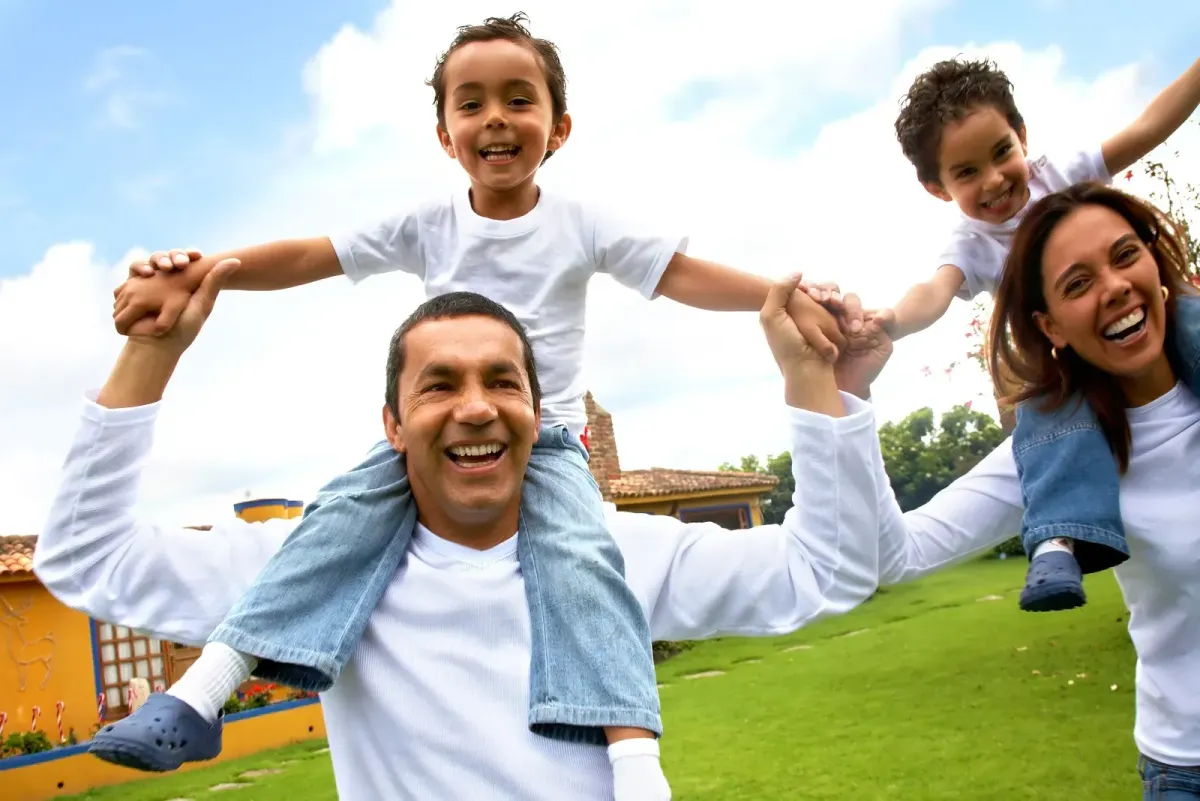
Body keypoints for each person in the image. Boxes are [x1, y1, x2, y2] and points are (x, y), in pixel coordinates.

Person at [91, 14, 855, 796]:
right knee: (329, 527)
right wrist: (205, 273)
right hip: (434, 439)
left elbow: (680, 274)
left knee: (583, 563)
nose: (495, 116)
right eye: (472, 103)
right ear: (444, 134)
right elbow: (310, 256)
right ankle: (199, 694)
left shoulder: (582, 223)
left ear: (557, 128)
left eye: (518, 99)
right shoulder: (428, 222)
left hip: (545, 443)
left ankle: (635, 767)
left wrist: (780, 297)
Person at [34, 269, 887, 800]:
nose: (476, 406)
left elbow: (830, 569)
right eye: (439, 385)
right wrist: (151, 353)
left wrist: (816, 380)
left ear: (535, 413)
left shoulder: (619, 554)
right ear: (393, 425)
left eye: (501, 382)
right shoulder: (307, 573)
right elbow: (84, 558)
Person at [833, 184, 1200, 798]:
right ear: (1050, 325)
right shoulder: (1055, 453)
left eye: (1125, 255)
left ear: (1157, 268)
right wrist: (850, 394)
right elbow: (894, 556)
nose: (1113, 287)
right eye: (1077, 284)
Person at [868, 55, 1200, 613]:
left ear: (1022, 136)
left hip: (1170, 315)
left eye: (1002, 152)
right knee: (1050, 416)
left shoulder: (1061, 173)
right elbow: (934, 292)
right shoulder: (970, 245)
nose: (995, 180)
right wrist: (890, 323)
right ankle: (1057, 541)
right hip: (1064, 365)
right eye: (967, 172)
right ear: (938, 189)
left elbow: (1148, 128)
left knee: (1190, 319)